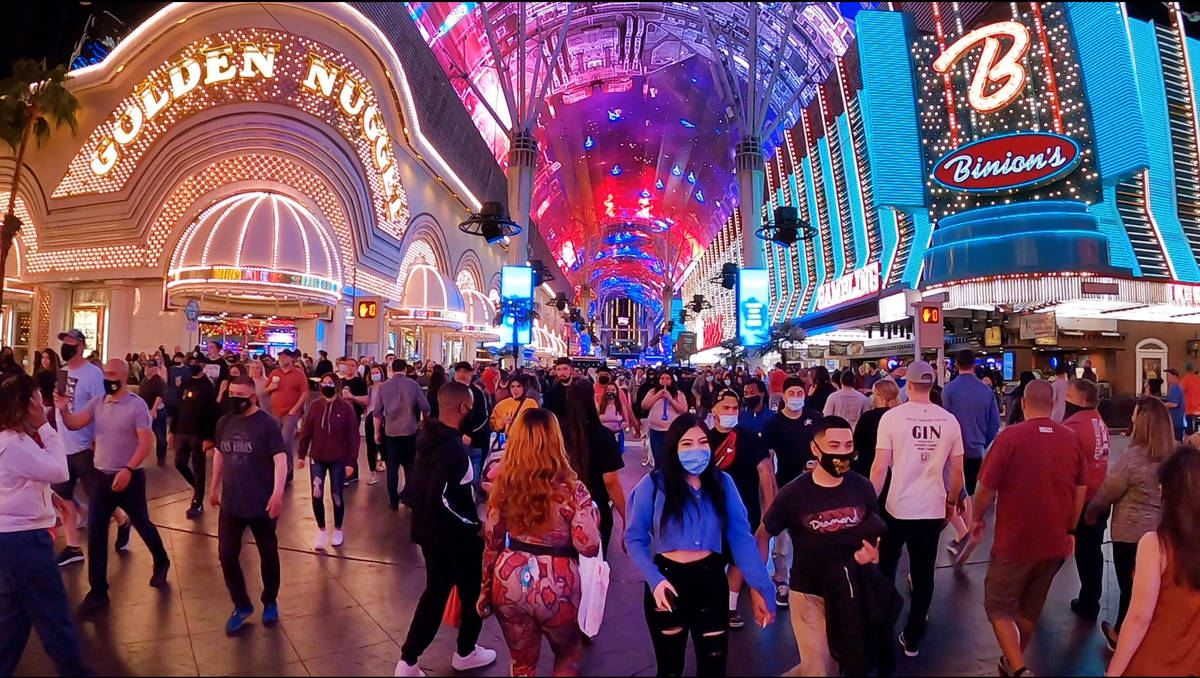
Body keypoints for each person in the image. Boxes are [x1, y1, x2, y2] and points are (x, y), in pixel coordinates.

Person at [626, 413, 775, 676]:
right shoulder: (654, 484)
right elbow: (634, 538)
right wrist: (654, 578)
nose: (697, 449)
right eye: (687, 443)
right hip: (667, 583)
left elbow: (741, 538)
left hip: (710, 581)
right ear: (674, 448)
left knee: (714, 667)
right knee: (670, 668)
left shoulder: (723, 483)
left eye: (702, 442)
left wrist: (762, 586)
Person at [968, 379, 1087, 677]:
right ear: (1053, 404)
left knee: (997, 606)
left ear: (1022, 404)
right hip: (1054, 542)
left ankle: (1019, 669)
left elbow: (986, 487)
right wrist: (1071, 530)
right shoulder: (1070, 438)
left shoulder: (1010, 438)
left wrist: (977, 517)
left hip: (1015, 541)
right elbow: (1081, 488)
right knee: (1029, 609)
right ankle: (1012, 661)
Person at [763, 415, 895, 677]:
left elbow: (873, 531)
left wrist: (873, 555)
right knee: (820, 669)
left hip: (850, 590)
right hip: (809, 592)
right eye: (834, 446)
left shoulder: (863, 487)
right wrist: (760, 586)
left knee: (837, 660)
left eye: (848, 446)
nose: (843, 453)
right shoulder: (793, 494)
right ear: (815, 448)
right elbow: (762, 534)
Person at [479, 407, 599, 677]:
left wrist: (485, 588)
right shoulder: (572, 489)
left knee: (521, 665)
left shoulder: (504, 486)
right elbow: (588, 545)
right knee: (567, 655)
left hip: (509, 579)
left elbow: (492, 541)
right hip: (559, 583)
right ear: (556, 440)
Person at [394, 382, 497, 677]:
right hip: (456, 537)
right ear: (464, 408)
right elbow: (445, 497)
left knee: (436, 594)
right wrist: (475, 526)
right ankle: (465, 651)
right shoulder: (453, 448)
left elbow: (418, 490)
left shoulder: (427, 438)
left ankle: (409, 660)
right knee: (471, 593)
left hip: (429, 533)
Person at [55, 359, 171, 613]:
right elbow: (76, 423)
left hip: (129, 477)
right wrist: (63, 410)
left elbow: (145, 443)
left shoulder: (136, 405)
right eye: (105, 374)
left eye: (111, 374)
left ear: (123, 376)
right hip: (102, 477)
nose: (106, 378)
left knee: (142, 522)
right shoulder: (98, 403)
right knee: (96, 531)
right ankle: (98, 591)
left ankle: (161, 560)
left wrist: (129, 469)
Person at [869, 360, 965, 658]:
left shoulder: (892, 418)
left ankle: (881, 625)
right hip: (932, 507)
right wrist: (951, 502)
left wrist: (868, 506)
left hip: (896, 506)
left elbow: (879, 468)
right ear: (932, 384)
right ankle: (913, 636)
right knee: (923, 573)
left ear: (907, 385)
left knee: (885, 566)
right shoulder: (949, 420)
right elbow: (958, 472)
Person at [0, 374, 90, 676]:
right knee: (54, 618)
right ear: (29, 405)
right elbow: (59, 470)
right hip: (25, 543)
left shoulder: (12, 442)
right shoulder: (13, 445)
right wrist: (45, 426)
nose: (44, 404)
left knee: (12, 622)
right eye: (40, 400)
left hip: (10, 542)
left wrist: (46, 495)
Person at [1105, 445, 1200, 676]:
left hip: (1151, 665)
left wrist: (1113, 672)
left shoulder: (1156, 544)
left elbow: (1138, 618)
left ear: (1166, 491)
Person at [1085, 396, 1171, 650]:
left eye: (1134, 414)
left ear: (1142, 422)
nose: (1131, 418)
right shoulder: (1175, 455)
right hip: (1163, 534)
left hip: (1130, 535)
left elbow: (1109, 491)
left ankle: (1123, 637)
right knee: (1152, 589)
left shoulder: (1133, 458)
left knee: (1130, 589)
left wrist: (1090, 512)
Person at [209, 376, 288, 635]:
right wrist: (213, 488)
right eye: (231, 393)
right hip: (232, 502)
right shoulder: (224, 422)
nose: (235, 399)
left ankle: (270, 599)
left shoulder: (267, 425)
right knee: (226, 554)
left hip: (261, 502)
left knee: (268, 554)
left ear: (252, 397)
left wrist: (277, 494)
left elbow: (280, 461)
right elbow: (220, 455)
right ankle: (241, 604)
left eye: (240, 395)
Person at [708, 388, 777, 629]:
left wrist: (769, 509)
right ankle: (711, 605)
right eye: (725, 408)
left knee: (738, 558)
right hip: (711, 510)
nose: (730, 412)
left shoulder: (748, 438)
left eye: (734, 408)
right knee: (713, 557)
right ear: (714, 410)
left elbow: (765, 471)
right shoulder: (703, 438)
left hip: (744, 508)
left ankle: (729, 607)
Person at [761, 377, 819, 608]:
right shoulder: (773, 424)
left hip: (813, 485)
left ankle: (810, 580)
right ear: (783, 396)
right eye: (791, 393)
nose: (796, 397)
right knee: (782, 539)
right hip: (784, 484)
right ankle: (782, 581)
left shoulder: (814, 419)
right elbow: (767, 458)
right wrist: (770, 488)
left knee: (813, 533)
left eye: (799, 393)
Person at [51, 329, 106, 566]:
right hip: (63, 444)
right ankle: (73, 546)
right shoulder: (62, 371)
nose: (66, 345)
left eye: (71, 342)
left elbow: (101, 407)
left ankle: (122, 519)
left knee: (99, 499)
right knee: (62, 498)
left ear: (81, 346)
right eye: (64, 341)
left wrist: (98, 437)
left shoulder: (93, 374)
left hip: (85, 446)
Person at [941, 349, 1001, 561]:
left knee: (956, 491)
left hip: (952, 452)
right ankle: (968, 528)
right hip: (976, 451)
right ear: (974, 365)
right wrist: (982, 441)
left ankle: (964, 532)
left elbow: (943, 419)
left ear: (956, 365)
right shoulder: (985, 391)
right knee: (970, 493)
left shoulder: (949, 390)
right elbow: (995, 422)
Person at [1063, 378, 1112, 621]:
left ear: (1082, 400)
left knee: (1081, 551)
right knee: (1092, 551)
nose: (1065, 400)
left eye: (1069, 396)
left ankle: (1088, 601)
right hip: (1101, 496)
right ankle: (1091, 597)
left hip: (1081, 500)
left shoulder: (1073, 426)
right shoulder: (1099, 421)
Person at [562, 382, 627, 553]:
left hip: (563, 508)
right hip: (596, 508)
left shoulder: (558, 434)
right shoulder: (603, 435)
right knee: (595, 565)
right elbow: (611, 481)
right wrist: (625, 517)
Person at [297, 373, 358, 550]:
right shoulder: (315, 406)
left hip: (338, 459)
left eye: (330, 383)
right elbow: (306, 431)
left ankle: (338, 529)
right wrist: (301, 454)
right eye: (324, 383)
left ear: (337, 386)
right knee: (317, 494)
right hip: (317, 457)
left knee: (337, 495)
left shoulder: (346, 409)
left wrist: (350, 462)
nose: (326, 385)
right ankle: (321, 529)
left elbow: (353, 438)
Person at [373, 359, 430, 509]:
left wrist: (376, 432)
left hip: (390, 432)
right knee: (410, 466)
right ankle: (409, 497)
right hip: (410, 431)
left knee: (392, 467)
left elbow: (377, 413)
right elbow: (425, 406)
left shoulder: (383, 387)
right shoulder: (413, 385)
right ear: (405, 369)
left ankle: (393, 501)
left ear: (392, 369)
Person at [172, 352, 220, 519]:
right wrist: (172, 430)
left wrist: (209, 437)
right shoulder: (186, 383)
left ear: (203, 365)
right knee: (179, 463)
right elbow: (178, 408)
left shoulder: (207, 387)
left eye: (196, 362)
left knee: (199, 467)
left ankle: (197, 502)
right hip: (182, 431)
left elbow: (211, 413)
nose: (193, 364)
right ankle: (198, 487)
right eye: (191, 361)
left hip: (198, 433)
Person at [264, 349, 308, 480]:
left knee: (285, 440)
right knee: (275, 440)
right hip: (275, 411)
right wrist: (271, 388)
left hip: (291, 412)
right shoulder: (274, 373)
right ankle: (277, 467)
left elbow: (305, 393)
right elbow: (265, 390)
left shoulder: (298, 374)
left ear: (291, 359)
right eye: (280, 357)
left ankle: (288, 469)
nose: (282, 359)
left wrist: (296, 408)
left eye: (284, 357)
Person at [853, 379, 901, 479]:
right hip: (896, 469)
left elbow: (857, 443)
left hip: (868, 466)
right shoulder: (900, 416)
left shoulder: (868, 417)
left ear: (878, 395)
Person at [452, 362, 490, 486]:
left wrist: (469, 434)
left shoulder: (477, 393)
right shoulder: (447, 391)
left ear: (471, 374)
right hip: (452, 441)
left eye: (465, 372)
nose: (462, 374)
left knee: (472, 478)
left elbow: (483, 417)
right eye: (459, 371)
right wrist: (458, 434)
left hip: (474, 441)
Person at [642, 371, 690, 469]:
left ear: (672, 380)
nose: (664, 381)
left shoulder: (678, 394)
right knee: (658, 457)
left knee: (671, 457)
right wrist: (657, 396)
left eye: (668, 378)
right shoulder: (653, 392)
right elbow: (644, 405)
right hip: (656, 431)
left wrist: (671, 399)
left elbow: (684, 409)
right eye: (662, 378)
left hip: (671, 430)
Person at [138, 357, 168, 465]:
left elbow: (159, 397)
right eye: (146, 366)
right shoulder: (145, 379)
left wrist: (154, 410)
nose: (147, 369)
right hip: (146, 410)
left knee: (160, 435)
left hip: (157, 411)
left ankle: (161, 457)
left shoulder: (159, 381)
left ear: (155, 368)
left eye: (150, 367)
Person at [364, 364, 387, 484]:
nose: (374, 375)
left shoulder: (385, 387)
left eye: (376, 372)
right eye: (372, 373)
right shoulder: (369, 388)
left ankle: (382, 461)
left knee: (382, 443)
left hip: (383, 418)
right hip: (370, 417)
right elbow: (367, 402)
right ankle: (372, 473)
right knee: (370, 445)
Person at [1165, 368, 1186, 441]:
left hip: (1176, 422)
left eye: (1168, 375)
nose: (1167, 377)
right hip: (1177, 422)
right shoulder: (1175, 387)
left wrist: (1161, 405)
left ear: (1174, 376)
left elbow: (1174, 404)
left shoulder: (1175, 388)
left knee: (1176, 443)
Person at [1180, 362, 1200, 435]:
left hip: (1189, 410)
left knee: (1190, 433)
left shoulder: (1185, 380)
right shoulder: (1198, 379)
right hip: (1198, 410)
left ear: (1186, 369)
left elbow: (1180, 392)